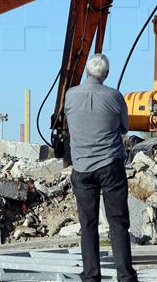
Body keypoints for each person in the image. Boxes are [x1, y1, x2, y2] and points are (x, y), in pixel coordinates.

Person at [64, 53, 138, 282]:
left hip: (82, 167)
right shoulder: (114, 96)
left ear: (87, 71)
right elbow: (125, 128)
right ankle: (125, 275)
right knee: (118, 223)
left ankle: (90, 275)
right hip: (110, 165)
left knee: (88, 224)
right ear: (106, 74)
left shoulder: (70, 95)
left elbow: (68, 124)